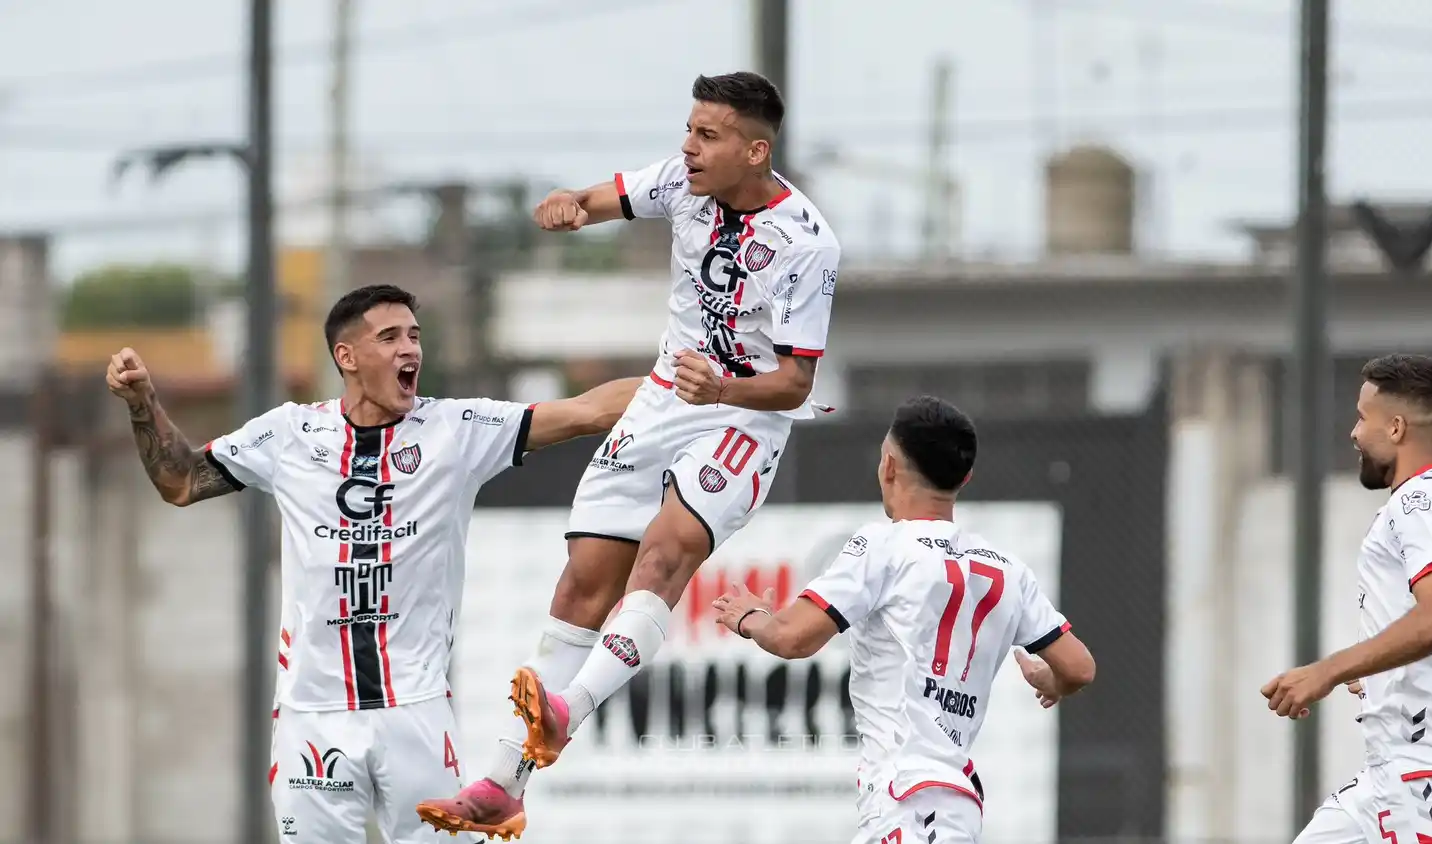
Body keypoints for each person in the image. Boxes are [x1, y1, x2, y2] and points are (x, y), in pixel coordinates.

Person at [417, 70, 841, 838]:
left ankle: (567, 711)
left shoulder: (806, 243)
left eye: (707, 136)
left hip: (741, 418)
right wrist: (567, 208)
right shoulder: (681, 183)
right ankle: (505, 786)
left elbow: (795, 382)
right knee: (583, 581)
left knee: (663, 555)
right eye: (688, 129)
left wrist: (721, 393)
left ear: (755, 149)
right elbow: (600, 198)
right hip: (662, 399)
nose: (689, 146)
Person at [105, 283, 641, 844]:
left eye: (414, 336)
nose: (410, 349)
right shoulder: (289, 432)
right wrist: (142, 403)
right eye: (389, 337)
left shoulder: (458, 430)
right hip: (312, 716)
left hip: (415, 713)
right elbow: (181, 480)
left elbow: (587, 411)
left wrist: (699, 377)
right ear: (348, 357)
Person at [709, 395, 1095, 843]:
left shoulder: (884, 547)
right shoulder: (1006, 567)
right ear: (965, 477)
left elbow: (792, 638)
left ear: (888, 466)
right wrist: (1054, 681)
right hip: (939, 802)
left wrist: (751, 617)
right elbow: (1079, 667)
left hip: (912, 804)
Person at [1262, 353, 1432, 844]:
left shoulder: (1420, 502)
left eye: (1362, 416)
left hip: (1425, 775)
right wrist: (1391, 665)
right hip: (1391, 775)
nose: (1353, 431)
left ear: (1394, 428)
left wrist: (1329, 670)